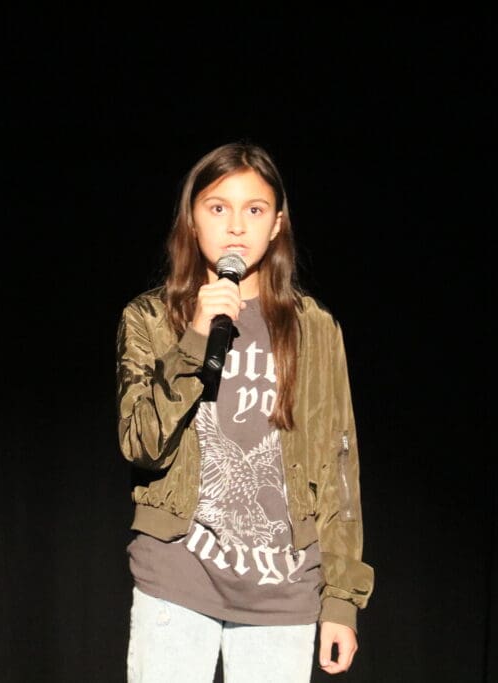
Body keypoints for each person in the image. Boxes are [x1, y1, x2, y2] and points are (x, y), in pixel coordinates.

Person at [115, 141, 374, 682]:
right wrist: (193, 340)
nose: (236, 226)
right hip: (177, 579)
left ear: (277, 224)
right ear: (192, 219)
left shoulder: (314, 329)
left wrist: (341, 600)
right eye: (218, 207)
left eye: (254, 209)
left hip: (283, 592)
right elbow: (142, 445)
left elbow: (338, 470)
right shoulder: (151, 318)